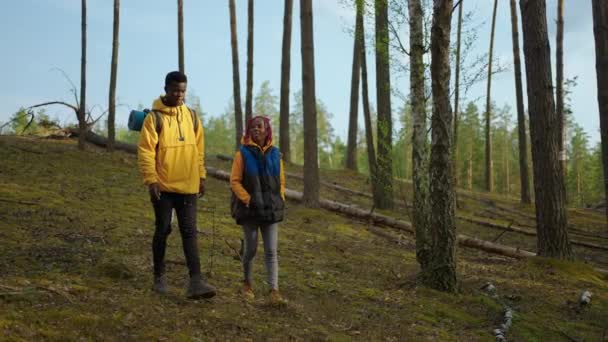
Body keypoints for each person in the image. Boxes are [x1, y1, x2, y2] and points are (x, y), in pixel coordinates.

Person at [137, 71, 216, 299]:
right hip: (162, 186)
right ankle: (159, 277)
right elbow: (145, 151)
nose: (179, 95)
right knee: (163, 229)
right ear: (166, 89)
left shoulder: (191, 116)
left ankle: (196, 282)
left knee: (190, 232)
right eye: (175, 90)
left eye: (183, 91)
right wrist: (150, 180)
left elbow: (199, 149)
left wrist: (201, 176)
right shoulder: (154, 118)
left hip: (189, 186)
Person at [230, 116, 286, 304]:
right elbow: (234, 181)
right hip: (250, 211)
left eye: (259, 127)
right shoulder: (242, 154)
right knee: (251, 250)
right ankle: (247, 284)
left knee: (271, 251)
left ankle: (274, 290)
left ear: (267, 129)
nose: (255, 130)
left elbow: (281, 181)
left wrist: (281, 199)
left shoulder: (276, 154)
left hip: (270, 210)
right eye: (252, 127)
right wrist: (248, 199)